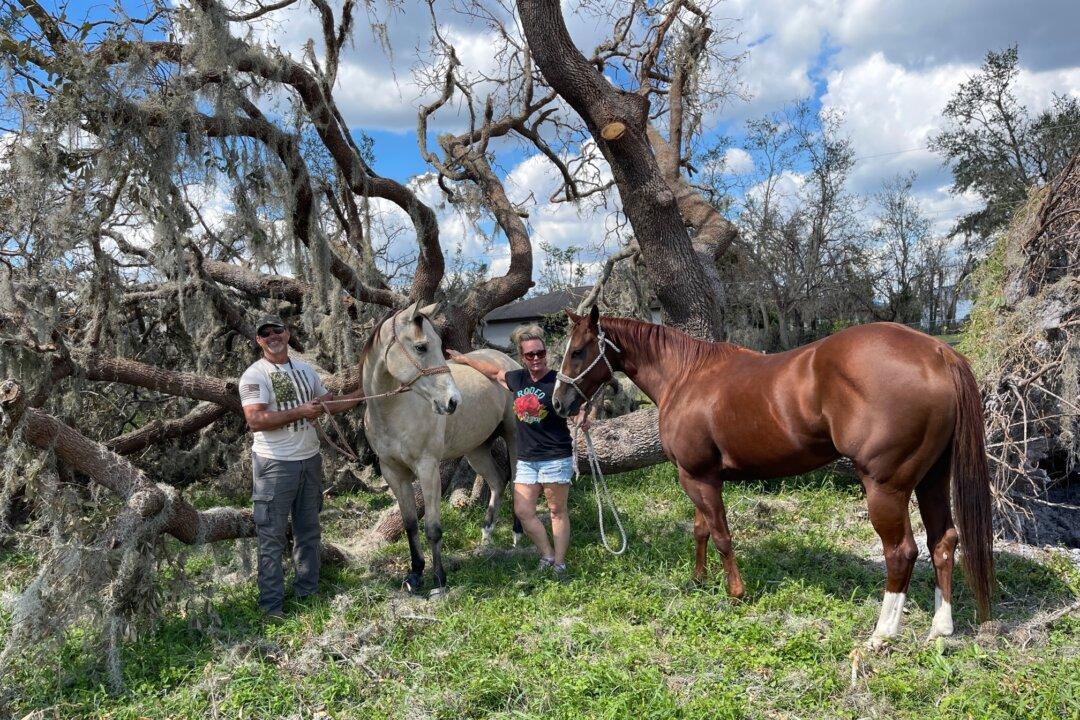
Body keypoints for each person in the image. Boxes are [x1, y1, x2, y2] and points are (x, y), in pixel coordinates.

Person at [238, 314, 365, 618]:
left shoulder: (305, 370)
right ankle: (272, 608)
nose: (272, 336)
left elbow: (325, 405)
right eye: (265, 333)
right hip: (274, 466)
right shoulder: (255, 375)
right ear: (259, 340)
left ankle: (308, 593)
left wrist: (363, 393)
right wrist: (299, 412)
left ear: (288, 333)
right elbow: (255, 420)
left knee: (308, 531)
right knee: (271, 536)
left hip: (309, 461)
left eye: (277, 330)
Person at [447, 324, 588, 575]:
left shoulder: (558, 380)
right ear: (522, 358)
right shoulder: (518, 379)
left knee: (557, 511)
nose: (536, 359)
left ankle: (560, 563)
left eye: (540, 353)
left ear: (546, 353)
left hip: (555, 456)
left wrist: (582, 418)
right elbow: (493, 372)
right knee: (523, 511)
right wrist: (464, 359)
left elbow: (577, 408)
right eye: (530, 355)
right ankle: (546, 554)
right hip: (527, 460)